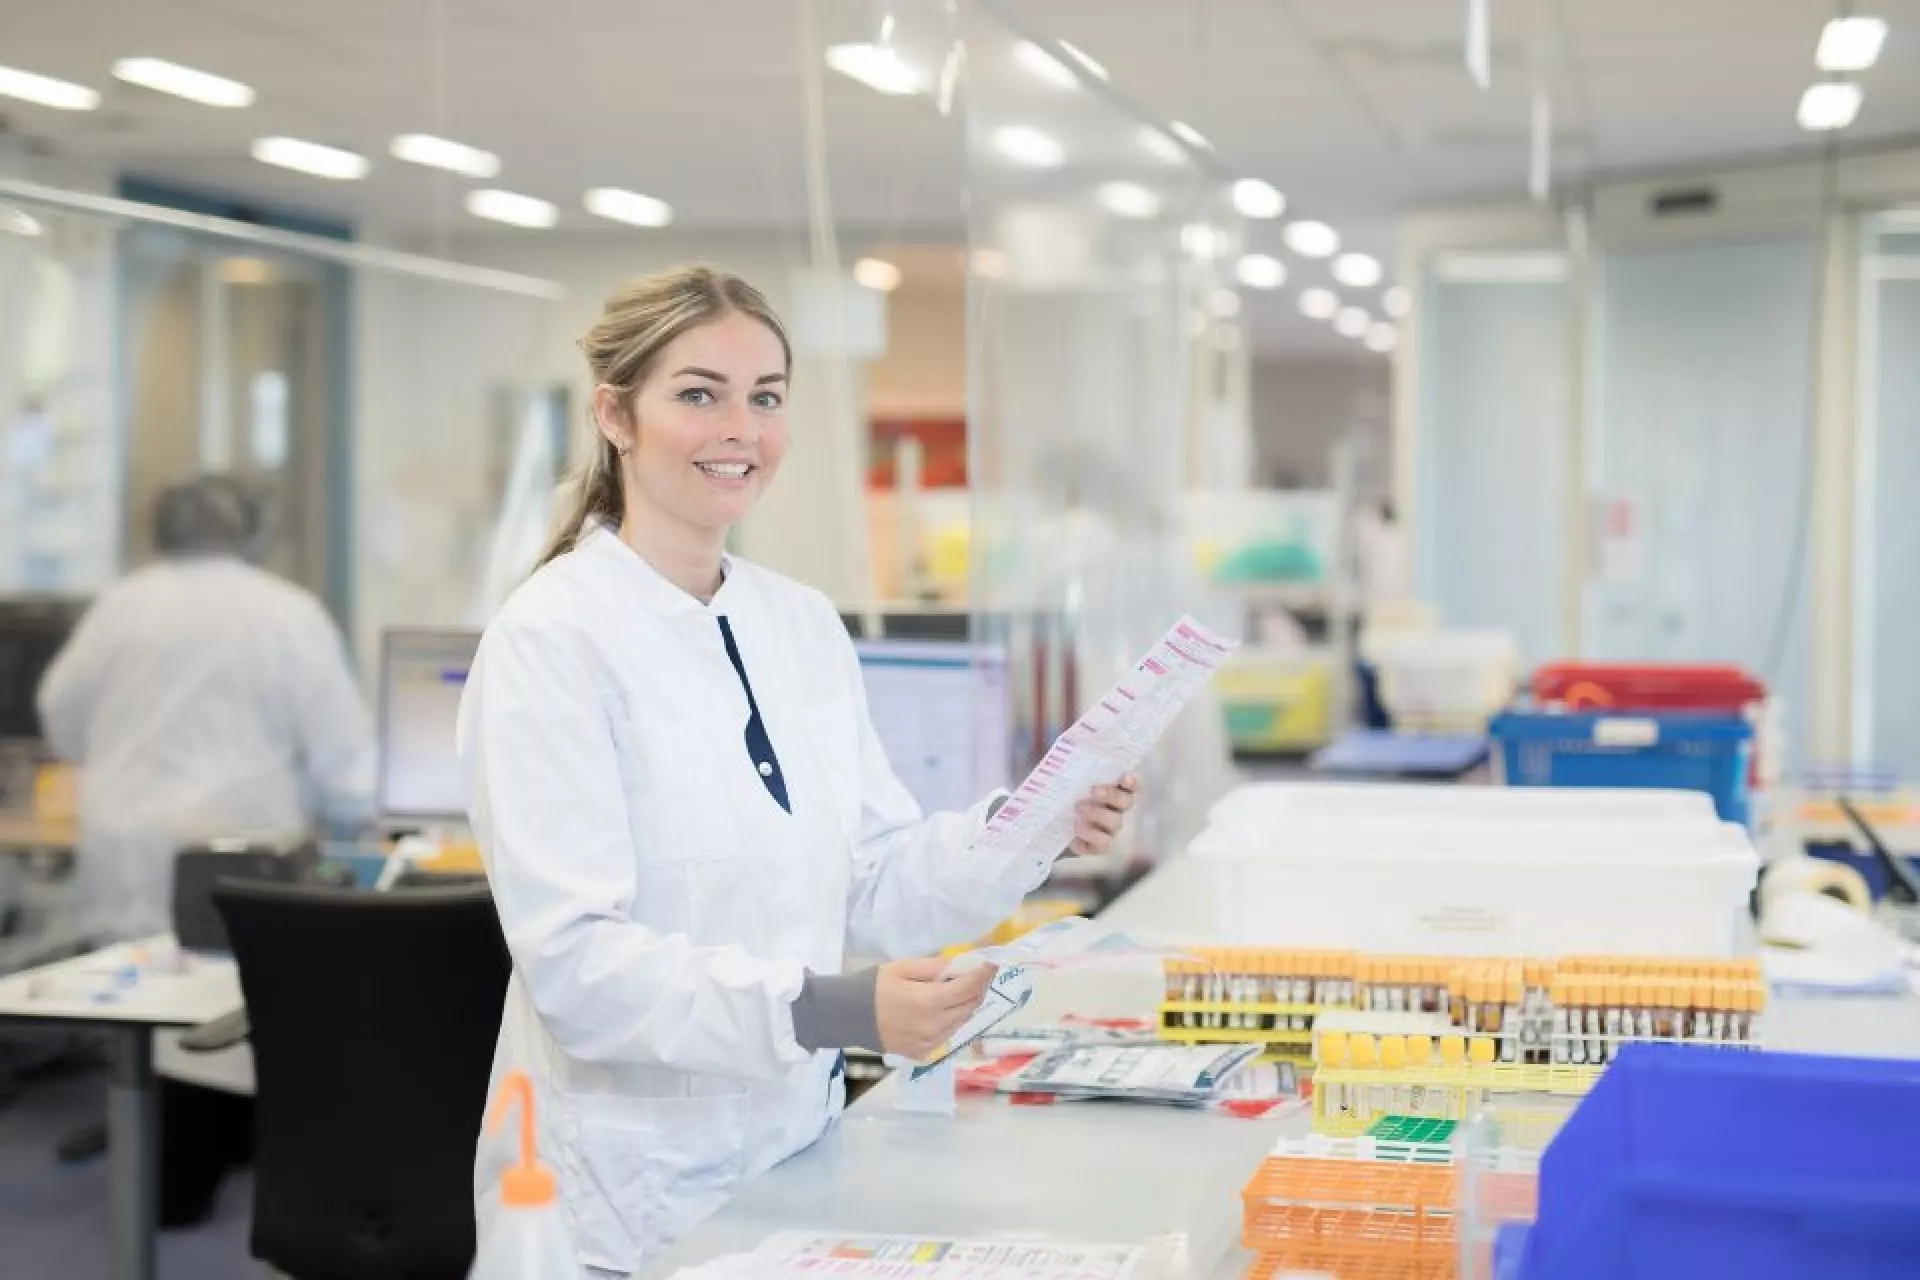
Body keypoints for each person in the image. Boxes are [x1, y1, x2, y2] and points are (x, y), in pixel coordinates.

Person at [457, 265, 1139, 1279]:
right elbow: (579, 968)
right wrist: (832, 1009)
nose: (742, 426)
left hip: (793, 1163)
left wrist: (1038, 818)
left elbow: (869, 880)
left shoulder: (798, 621)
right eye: (700, 393)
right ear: (616, 413)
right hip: (618, 1198)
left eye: (766, 396)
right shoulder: (551, 639)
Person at [37, 473, 376, 941]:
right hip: (238, 860)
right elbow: (346, 766)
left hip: (124, 860)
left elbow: (62, 720)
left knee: (129, 1002)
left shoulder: (118, 607)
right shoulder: (286, 614)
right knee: (230, 1005)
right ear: (253, 533)